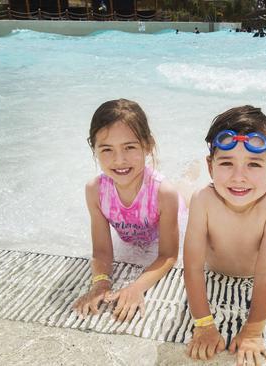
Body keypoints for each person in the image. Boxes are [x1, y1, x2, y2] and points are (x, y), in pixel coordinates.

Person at [183, 106, 266, 364]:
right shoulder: (203, 200)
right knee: (186, 193)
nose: (238, 177)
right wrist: (203, 324)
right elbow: (192, 268)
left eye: (254, 164)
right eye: (226, 163)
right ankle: (186, 176)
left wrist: (254, 330)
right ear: (210, 166)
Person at [72, 99, 184, 322]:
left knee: (184, 191)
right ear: (94, 149)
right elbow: (102, 252)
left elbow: (168, 255)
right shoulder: (95, 191)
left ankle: (188, 175)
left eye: (130, 147)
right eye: (106, 149)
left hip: (175, 209)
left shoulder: (164, 193)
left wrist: (136, 287)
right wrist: (101, 283)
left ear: (148, 145)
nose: (119, 160)